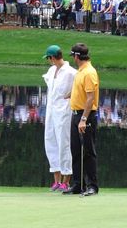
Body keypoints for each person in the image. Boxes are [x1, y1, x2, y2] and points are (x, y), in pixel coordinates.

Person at [63, 43, 99, 196]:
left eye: (73, 56)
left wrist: (83, 119)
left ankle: (92, 186)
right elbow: (82, 91)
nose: (73, 59)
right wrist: (72, 95)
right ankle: (78, 184)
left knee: (89, 152)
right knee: (76, 150)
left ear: (77, 56)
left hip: (86, 115)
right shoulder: (81, 71)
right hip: (76, 114)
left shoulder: (89, 72)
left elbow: (90, 98)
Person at [42, 45, 77, 192]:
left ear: (53, 57)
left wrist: (71, 95)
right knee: (50, 142)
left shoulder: (71, 72)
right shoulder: (51, 70)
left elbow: (78, 86)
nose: (48, 61)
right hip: (50, 110)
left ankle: (66, 180)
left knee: (64, 143)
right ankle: (56, 180)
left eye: (49, 58)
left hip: (64, 111)